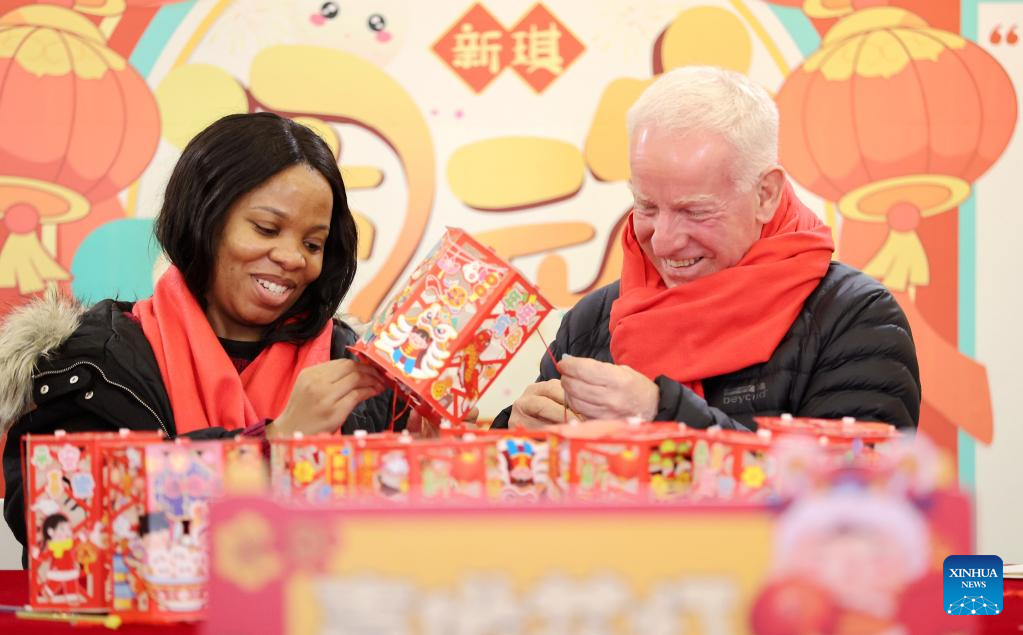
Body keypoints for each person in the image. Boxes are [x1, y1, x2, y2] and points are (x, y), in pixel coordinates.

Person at [0, 113, 408, 563]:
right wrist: (271, 443)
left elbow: (398, 549)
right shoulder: (94, 362)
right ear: (205, 218)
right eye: (267, 229)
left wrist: (432, 452)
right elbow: (57, 528)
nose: (293, 258)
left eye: (313, 244)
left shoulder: (356, 365)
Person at [494, 66, 920, 431]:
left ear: (766, 194)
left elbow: (856, 490)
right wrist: (517, 433)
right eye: (646, 206)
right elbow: (527, 484)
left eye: (694, 212)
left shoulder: (854, 318)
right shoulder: (594, 321)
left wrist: (660, 414)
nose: (663, 240)